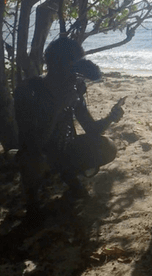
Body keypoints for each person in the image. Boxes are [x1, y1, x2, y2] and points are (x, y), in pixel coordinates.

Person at [13, 36, 124, 211]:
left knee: (106, 147)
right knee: (31, 161)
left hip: (64, 148)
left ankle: (69, 175)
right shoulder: (30, 90)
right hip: (38, 153)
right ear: (52, 66)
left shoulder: (73, 88)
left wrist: (111, 117)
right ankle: (33, 204)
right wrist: (58, 108)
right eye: (70, 68)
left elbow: (91, 128)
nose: (74, 75)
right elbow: (32, 144)